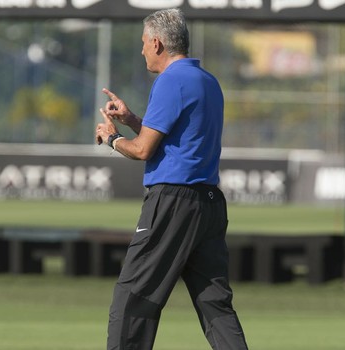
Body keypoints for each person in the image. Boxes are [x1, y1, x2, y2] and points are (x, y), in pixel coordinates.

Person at [94, 8, 248, 350]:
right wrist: (133, 119)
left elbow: (143, 151)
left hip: (172, 203)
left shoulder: (171, 80)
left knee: (133, 297)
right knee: (214, 304)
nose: (142, 51)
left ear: (158, 43)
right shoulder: (206, 81)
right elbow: (179, 140)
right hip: (208, 204)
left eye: (144, 44)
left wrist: (112, 138)